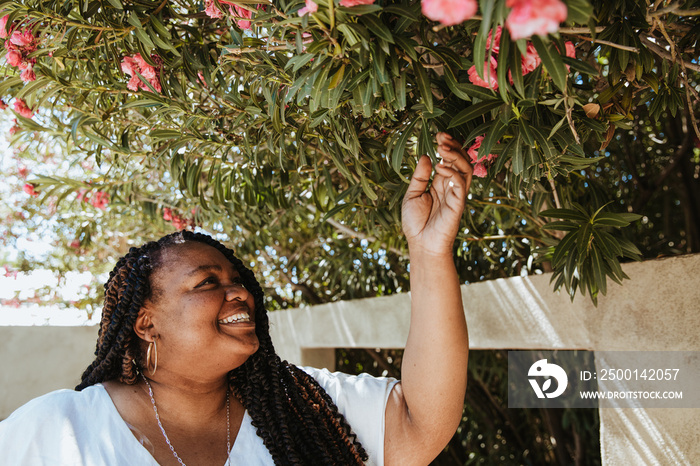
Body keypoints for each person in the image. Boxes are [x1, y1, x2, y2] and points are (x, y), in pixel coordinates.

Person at [0, 132, 472, 465]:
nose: (239, 291)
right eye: (207, 282)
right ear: (146, 323)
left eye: (237, 278)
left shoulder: (301, 409)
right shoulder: (59, 428)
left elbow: (422, 423)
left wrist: (429, 253)